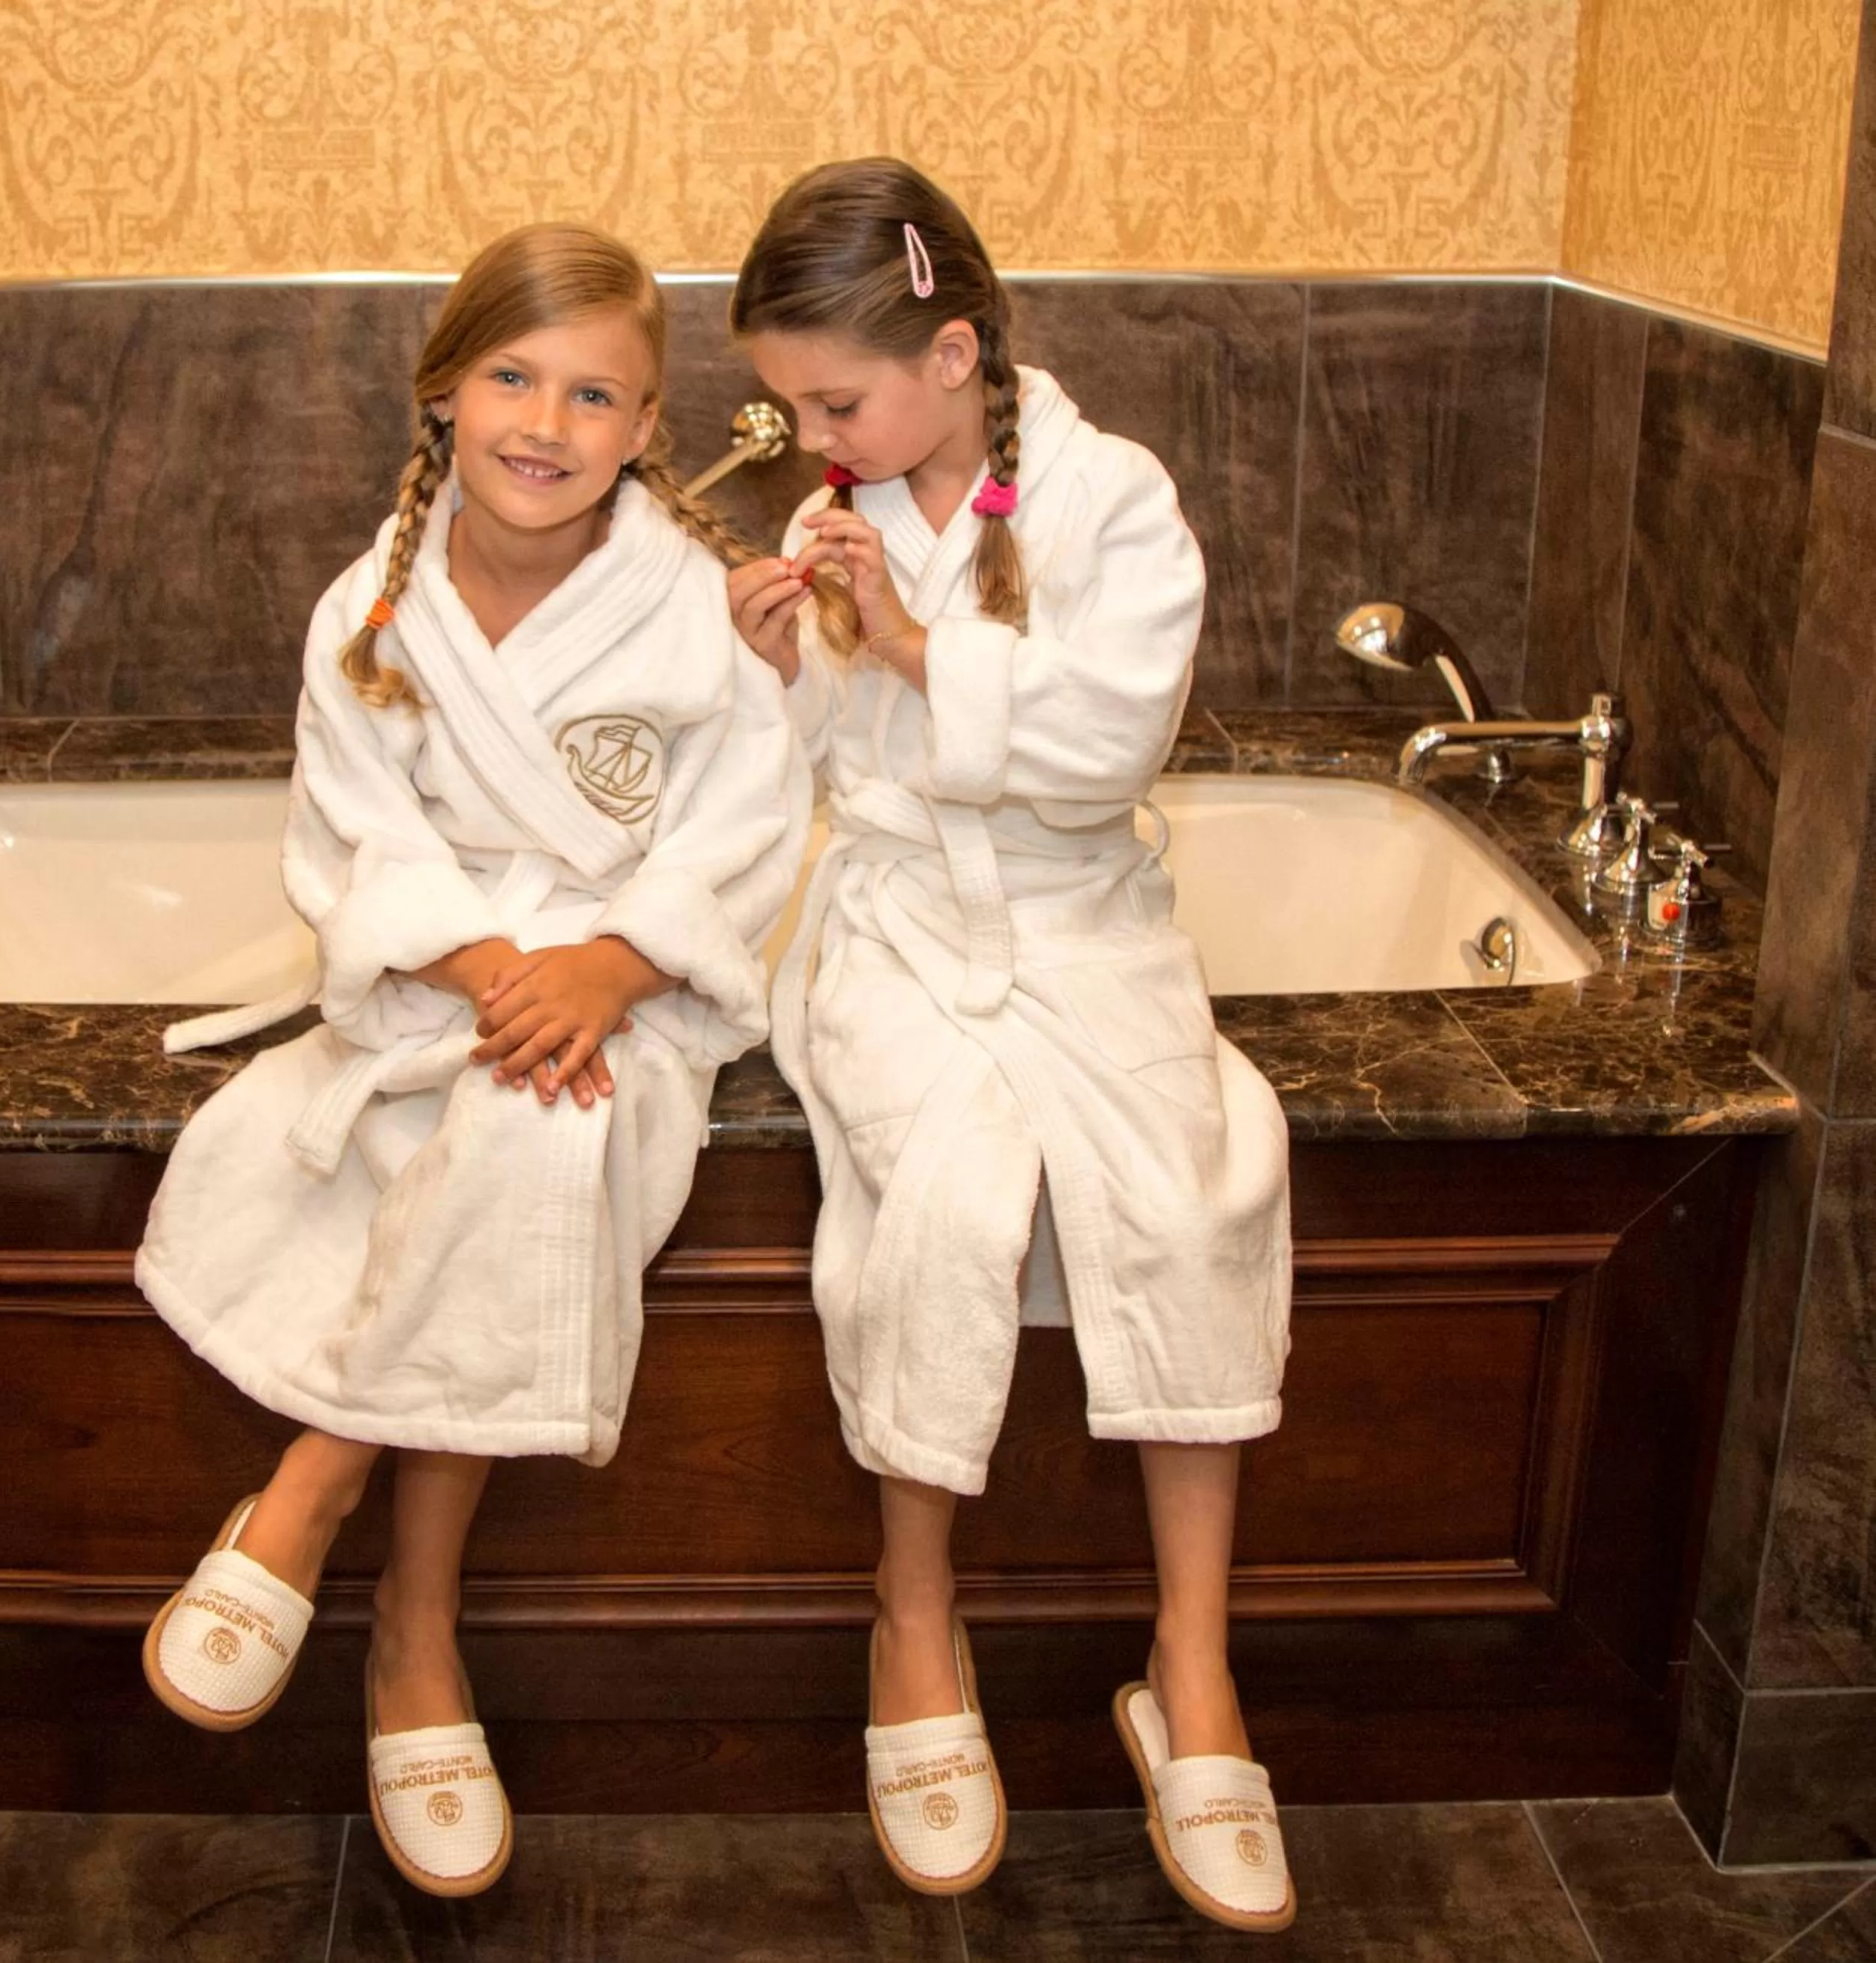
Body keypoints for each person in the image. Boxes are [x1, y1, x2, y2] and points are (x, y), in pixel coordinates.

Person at [134, 222, 810, 1900]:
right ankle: (415, 1642)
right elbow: (350, 833)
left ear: (651, 426)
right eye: (513, 374)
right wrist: (493, 961)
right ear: (444, 389)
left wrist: (608, 960)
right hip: (444, 967)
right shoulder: (369, 605)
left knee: (532, 1115)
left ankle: (314, 1486)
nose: (546, 420)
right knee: (504, 1112)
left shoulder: (693, 608)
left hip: (625, 984)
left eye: (596, 394)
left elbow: (754, 826)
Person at [726, 159, 1295, 1931]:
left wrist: (911, 643)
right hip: (894, 922)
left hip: (1080, 914)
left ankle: (1189, 1669)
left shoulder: (1113, 497)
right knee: (956, 1191)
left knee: (1194, 1191)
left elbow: (1119, 738)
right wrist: (778, 664)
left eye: (834, 399)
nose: (808, 434)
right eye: (791, 402)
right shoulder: (838, 505)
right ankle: (916, 1612)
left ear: (955, 351)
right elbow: (802, 770)